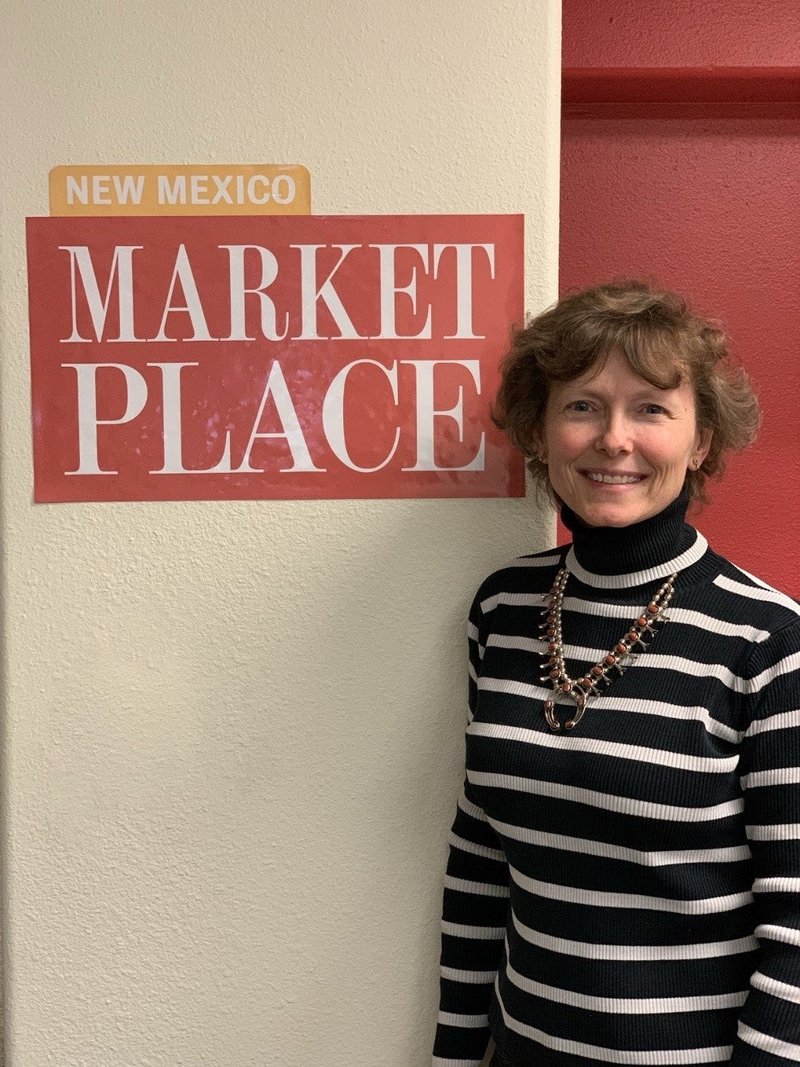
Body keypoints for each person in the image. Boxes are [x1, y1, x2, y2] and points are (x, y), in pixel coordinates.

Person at [432, 281, 800, 1067]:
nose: (614, 439)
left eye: (651, 409)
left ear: (701, 441)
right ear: (539, 430)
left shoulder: (768, 639)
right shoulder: (503, 606)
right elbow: (479, 858)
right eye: (583, 406)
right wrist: (456, 1052)